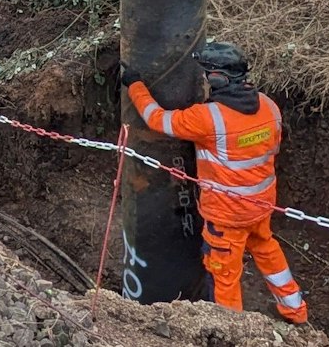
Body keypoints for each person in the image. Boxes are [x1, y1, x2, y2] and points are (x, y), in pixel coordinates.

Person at [124, 41, 307, 323]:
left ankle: (232, 331)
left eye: (207, 75)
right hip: (260, 206)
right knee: (268, 251)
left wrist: (134, 84)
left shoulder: (208, 119)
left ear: (218, 79)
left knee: (224, 276)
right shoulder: (270, 107)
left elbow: (157, 120)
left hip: (226, 217)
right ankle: (295, 311)